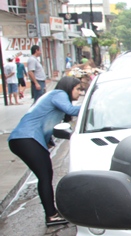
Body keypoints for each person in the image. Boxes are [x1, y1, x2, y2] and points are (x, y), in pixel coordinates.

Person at [8, 77, 82, 226]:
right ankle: (51, 215)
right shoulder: (59, 93)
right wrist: (92, 105)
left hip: (23, 139)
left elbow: (49, 124)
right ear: (69, 87)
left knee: (46, 175)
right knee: (45, 176)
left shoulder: (54, 98)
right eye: (78, 89)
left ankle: (52, 213)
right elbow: (71, 110)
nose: (80, 93)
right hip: (26, 138)